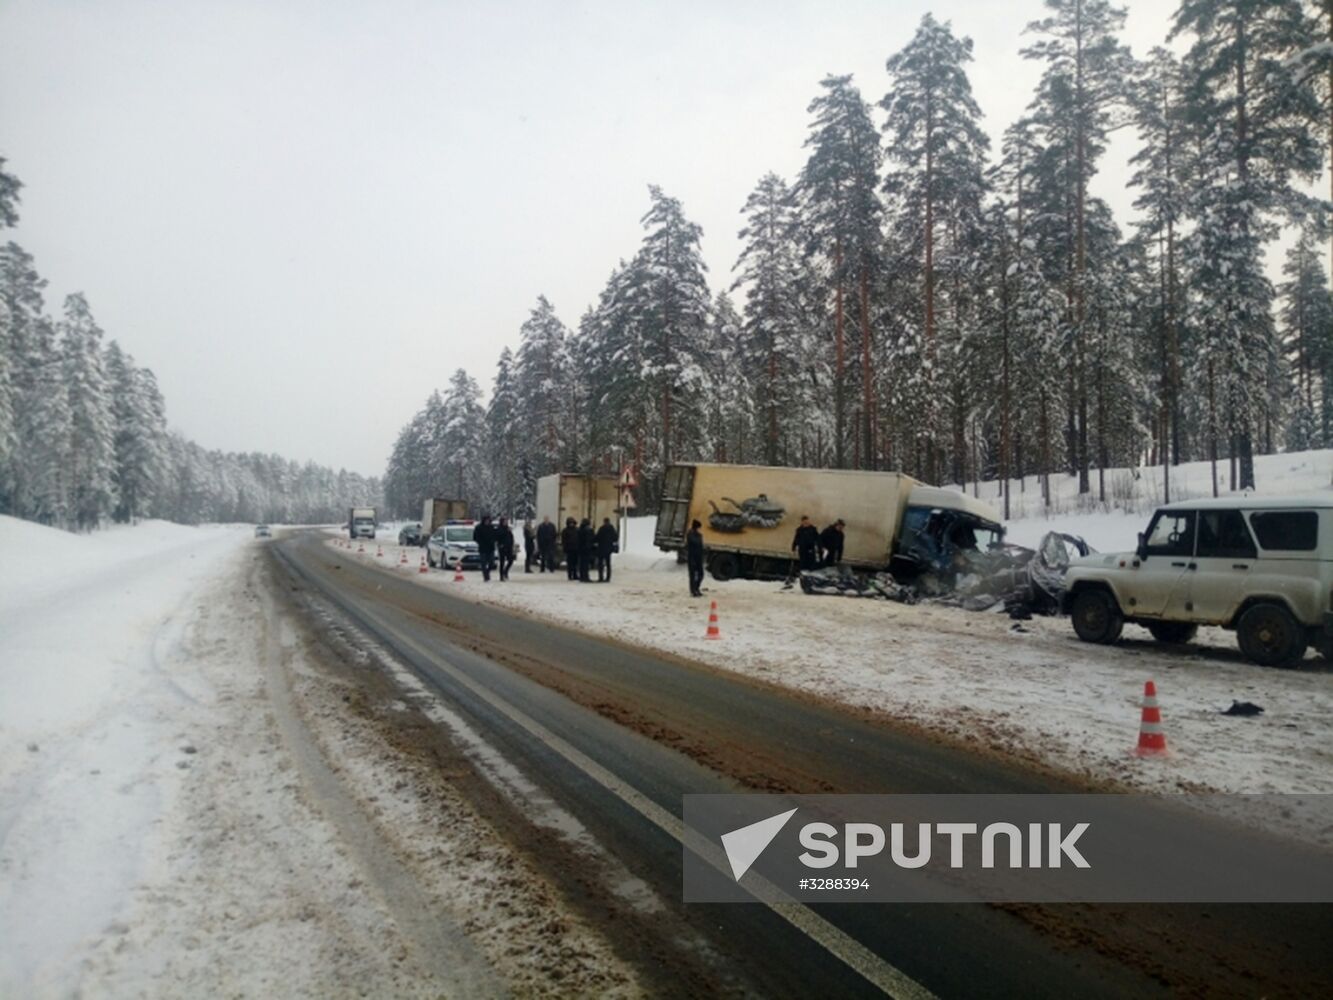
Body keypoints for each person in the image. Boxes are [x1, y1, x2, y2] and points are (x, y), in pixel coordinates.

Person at [473, 515, 496, 582]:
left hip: (491, 548)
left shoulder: (491, 527)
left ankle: (487, 572)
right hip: (483, 548)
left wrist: (493, 541)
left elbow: (494, 535)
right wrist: (480, 542)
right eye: (486, 520)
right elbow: (475, 537)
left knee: (491, 563)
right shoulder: (479, 528)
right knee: (483, 563)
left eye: (488, 520)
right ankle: (485, 576)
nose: (487, 522)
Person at [595, 517, 619, 582]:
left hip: (601, 548)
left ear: (604, 522)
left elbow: (597, 537)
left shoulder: (601, 528)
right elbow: (615, 538)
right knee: (608, 564)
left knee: (600, 564)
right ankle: (608, 578)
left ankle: (601, 577)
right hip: (608, 549)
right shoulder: (612, 529)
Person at [686, 519, 705, 597]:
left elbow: (700, 546)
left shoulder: (698, 535)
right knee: (693, 575)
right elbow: (694, 542)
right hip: (692, 557)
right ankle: (693, 590)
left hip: (699, 557)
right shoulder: (690, 534)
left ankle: (696, 588)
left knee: (701, 574)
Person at [495, 517, 516, 581]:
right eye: (504, 521)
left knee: (511, 560)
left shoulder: (508, 529)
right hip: (502, 547)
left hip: (509, 547)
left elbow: (511, 537)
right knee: (502, 562)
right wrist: (501, 545)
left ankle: (505, 571)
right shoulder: (499, 529)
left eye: (506, 521)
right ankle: (501, 576)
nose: (506, 523)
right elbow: (498, 537)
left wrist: (512, 544)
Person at [577, 517, 596, 582]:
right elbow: (592, 539)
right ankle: (586, 577)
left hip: (580, 549)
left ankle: (581, 577)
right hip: (587, 549)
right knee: (586, 564)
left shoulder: (579, 530)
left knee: (581, 564)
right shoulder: (589, 530)